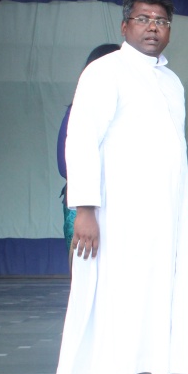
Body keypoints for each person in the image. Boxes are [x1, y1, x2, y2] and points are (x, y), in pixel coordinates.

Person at [55, 0, 188, 374]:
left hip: (161, 223)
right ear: (125, 25)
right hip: (117, 219)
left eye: (161, 21)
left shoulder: (170, 81)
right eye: (143, 19)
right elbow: (81, 141)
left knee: (152, 307)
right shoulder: (105, 71)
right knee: (121, 308)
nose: (153, 27)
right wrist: (85, 210)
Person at [57, 43, 120, 258]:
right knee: (85, 268)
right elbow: (64, 166)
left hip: (123, 204)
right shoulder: (78, 111)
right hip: (86, 208)